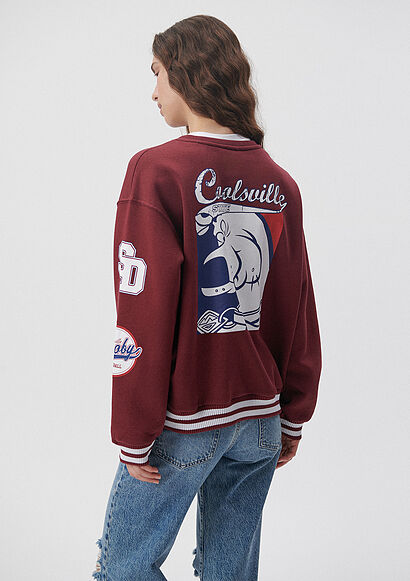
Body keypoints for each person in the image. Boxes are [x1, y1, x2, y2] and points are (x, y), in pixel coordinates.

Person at [92, 14, 322, 581]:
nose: (152, 92)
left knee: (123, 567)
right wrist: (293, 415)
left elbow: (143, 307)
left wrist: (134, 429)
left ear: (185, 72)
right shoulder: (280, 183)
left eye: (156, 73)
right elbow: (298, 307)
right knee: (230, 573)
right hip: (260, 419)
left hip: (186, 416)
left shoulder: (157, 170)